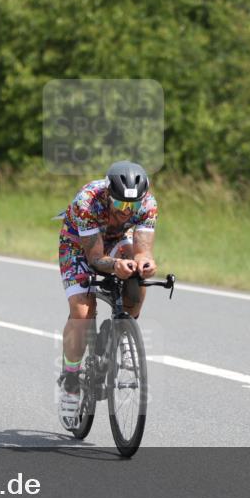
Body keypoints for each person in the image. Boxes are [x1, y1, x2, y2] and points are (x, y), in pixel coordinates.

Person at [56, 160, 158, 429]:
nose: (126, 211)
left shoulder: (148, 203)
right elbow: (95, 257)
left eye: (132, 205)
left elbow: (143, 250)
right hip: (78, 245)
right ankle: (70, 382)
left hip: (116, 241)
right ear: (108, 194)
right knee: (82, 313)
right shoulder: (87, 201)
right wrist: (115, 266)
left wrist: (145, 263)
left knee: (137, 274)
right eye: (120, 203)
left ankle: (123, 332)